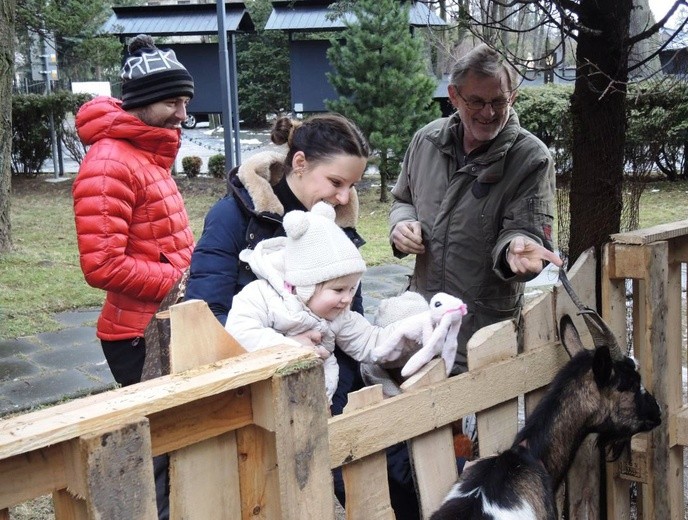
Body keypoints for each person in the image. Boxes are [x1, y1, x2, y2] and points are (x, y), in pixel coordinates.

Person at [183, 114, 420, 519]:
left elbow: (349, 320)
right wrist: (281, 349)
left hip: (329, 380)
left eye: (352, 187)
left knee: (387, 467)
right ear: (299, 163)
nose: (345, 198)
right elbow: (208, 314)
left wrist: (336, 388)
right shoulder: (234, 217)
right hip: (251, 391)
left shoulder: (335, 225)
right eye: (336, 183)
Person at [72, 34, 195, 519]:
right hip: (137, 335)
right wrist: (175, 279)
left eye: (185, 100)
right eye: (171, 101)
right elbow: (100, 264)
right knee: (159, 453)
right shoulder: (108, 163)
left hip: (162, 323)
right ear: (140, 102)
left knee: (176, 442)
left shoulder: (145, 153)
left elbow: (157, 238)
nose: (183, 113)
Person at [389, 43, 564, 374]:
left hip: (481, 332)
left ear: (511, 97)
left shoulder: (531, 158)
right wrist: (401, 225)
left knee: (476, 423)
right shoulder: (426, 141)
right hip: (422, 317)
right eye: (477, 102)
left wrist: (516, 250)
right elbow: (403, 199)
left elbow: (526, 230)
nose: (489, 113)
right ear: (454, 96)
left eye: (499, 101)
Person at [225, 202, 447, 404]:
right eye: (338, 290)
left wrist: (411, 332)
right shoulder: (262, 297)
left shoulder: (339, 316)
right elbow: (239, 332)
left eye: (352, 289)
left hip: (316, 399)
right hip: (261, 401)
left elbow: (371, 342)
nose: (348, 298)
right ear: (306, 285)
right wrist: (293, 349)